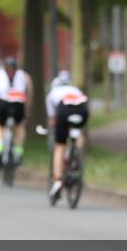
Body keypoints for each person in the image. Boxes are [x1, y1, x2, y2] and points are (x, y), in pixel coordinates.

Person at [44, 70, 89, 202]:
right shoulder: (75, 90)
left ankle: (57, 180)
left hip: (63, 109)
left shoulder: (52, 93)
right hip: (82, 109)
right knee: (78, 132)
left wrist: (55, 129)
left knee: (60, 145)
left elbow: (52, 119)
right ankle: (77, 156)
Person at [0, 56, 33, 168]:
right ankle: (18, 152)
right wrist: (27, 111)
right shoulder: (25, 76)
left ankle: (0, 150)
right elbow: (29, 93)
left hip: (3, 103)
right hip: (19, 103)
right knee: (19, 127)